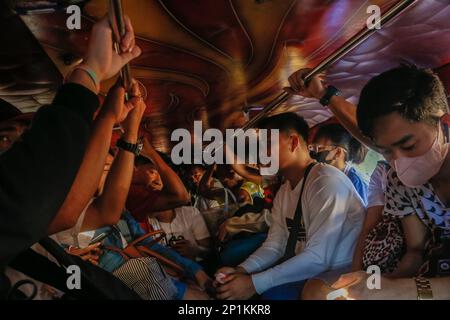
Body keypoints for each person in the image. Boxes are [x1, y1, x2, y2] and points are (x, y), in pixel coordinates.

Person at [0, 14, 141, 296]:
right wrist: (90, 73)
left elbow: (102, 210)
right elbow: (66, 210)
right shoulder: (31, 204)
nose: (17, 142)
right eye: (3, 136)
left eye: (25, 134)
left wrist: (122, 127)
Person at [289, 65, 450, 300]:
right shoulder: (399, 179)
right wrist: (373, 285)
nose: (399, 161)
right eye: (386, 152)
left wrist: (403, 290)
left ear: (442, 120)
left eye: (408, 146)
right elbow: (415, 251)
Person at [215, 113, 366, 300]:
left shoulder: (326, 183)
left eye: (266, 144)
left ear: (293, 143)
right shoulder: (286, 190)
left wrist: (253, 284)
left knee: (272, 296)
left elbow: (319, 258)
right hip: (309, 267)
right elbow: (275, 245)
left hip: (337, 270)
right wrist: (241, 271)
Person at [126, 140, 191, 232]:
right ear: (133, 169)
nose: (158, 181)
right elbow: (181, 197)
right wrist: (151, 154)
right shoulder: (133, 192)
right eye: (152, 172)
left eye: (162, 176)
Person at [311, 123, 369, 205]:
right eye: (314, 148)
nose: (315, 153)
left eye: (320, 148)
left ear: (337, 153)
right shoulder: (319, 172)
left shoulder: (355, 182)